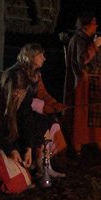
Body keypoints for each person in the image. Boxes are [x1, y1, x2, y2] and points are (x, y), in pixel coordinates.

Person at [63, 12, 101, 160]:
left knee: (100, 120)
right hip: (84, 86)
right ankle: (77, 150)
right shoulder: (78, 40)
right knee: (82, 118)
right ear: (86, 25)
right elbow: (82, 59)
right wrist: (95, 45)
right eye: (94, 23)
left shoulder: (89, 39)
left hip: (97, 84)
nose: (96, 26)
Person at [15, 43, 68, 179]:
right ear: (31, 57)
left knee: (51, 123)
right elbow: (18, 102)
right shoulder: (19, 74)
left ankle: (46, 166)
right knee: (42, 125)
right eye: (40, 56)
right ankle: (40, 167)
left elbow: (42, 94)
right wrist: (42, 106)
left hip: (30, 110)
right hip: (19, 113)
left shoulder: (36, 75)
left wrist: (55, 104)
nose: (44, 58)